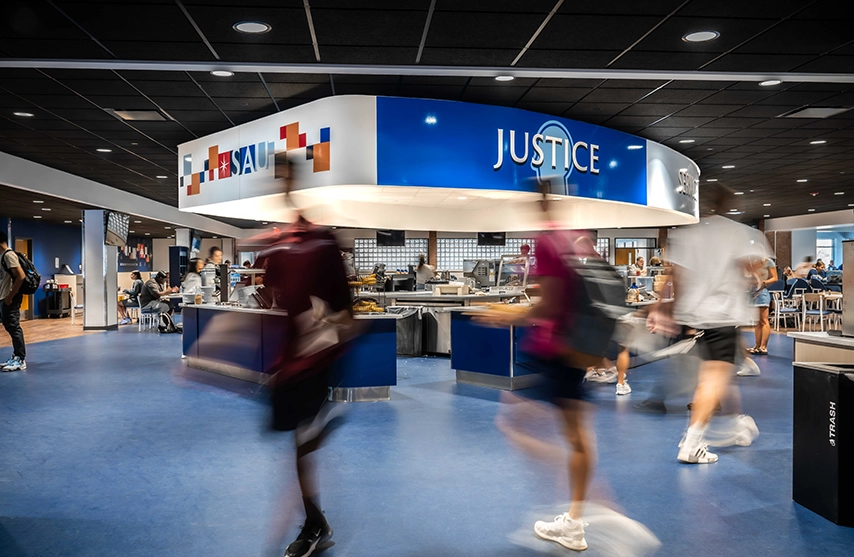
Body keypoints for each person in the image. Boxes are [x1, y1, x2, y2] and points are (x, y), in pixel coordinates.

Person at [477, 193, 601, 552]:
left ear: (540, 201)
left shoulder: (546, 241)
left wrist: (504, 315)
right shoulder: (575, 238)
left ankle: (580, 516)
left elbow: (548, 305)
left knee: (516, 424)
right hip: (574, 348)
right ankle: (577, 515)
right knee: (576, 435)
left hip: (554, 349)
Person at [259, 157, 358, 557]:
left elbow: (345, 313)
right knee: (295, 437)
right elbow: (272, 298)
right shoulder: (279, 246)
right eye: (279, 178)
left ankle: (314, 523)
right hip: (289, 361)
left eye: (288, 177)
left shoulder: (323, 244)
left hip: (317, 358)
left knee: (300, 440)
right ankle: (315, 515)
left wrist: (326, 328)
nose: (283, 184)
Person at [647, 186, 767, 464]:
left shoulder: (686, 234)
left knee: (716, 376)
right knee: (713, 379)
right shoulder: (738, 232)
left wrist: (665, 307)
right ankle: (692, 442)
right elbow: (751, 267)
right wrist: (752, 276)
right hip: (722, 315)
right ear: (727, 203)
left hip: (699, 316)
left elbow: (675, 273)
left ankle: (732, 422)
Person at [0, 231, 27, 372]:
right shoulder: (3, 256)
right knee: (10, 326)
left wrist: (10, 296)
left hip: (10, 298)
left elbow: (21, 276)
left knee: (14, 327)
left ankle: (20, 359)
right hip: (4, 297)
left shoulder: (8, 255)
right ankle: (16, 355)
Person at [748, 256, 777, 356]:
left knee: (764, 320)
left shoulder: (768, 262)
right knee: (757, 321)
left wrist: (763, 282)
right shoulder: (751, 261)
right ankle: (757, 345)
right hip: (752, 292)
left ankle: (763, 347)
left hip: (762, 292)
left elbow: (775, 278)